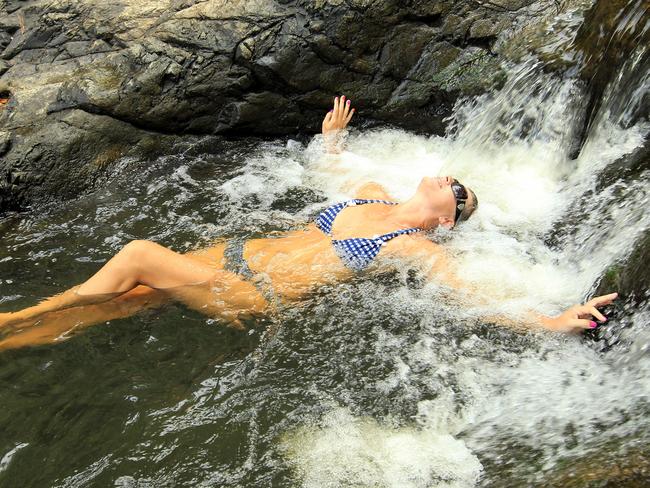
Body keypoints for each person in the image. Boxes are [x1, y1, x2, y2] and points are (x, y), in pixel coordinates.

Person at [0, 96, 617, 350]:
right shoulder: (371, 194)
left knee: (136, 255)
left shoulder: (412, 248)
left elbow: (466, 300)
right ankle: (12, 343)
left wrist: (547, 320)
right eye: (453, 178)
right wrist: (331, 140)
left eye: (457, 192)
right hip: (224, 258)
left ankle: (13, 318)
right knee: (116, 303)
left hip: (249, 292)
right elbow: (326, 170)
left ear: (445, 221)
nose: (446, 179)